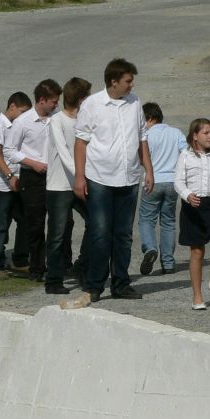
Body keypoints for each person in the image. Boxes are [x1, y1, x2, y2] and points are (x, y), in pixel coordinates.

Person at [73, 58, 153, 301]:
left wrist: (149, 170)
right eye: (128, 81)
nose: (132, 85)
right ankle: (95, 285)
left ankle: (120, 283)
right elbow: (81, 142)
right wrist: (79, 177)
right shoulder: (92, 104)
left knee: (124, 234)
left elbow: (142, 138)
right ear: (113, 81)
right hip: (100, 178)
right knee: (100, 232)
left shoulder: (135, 102)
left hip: (128, 178)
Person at [3, 79, 61, 284]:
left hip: (55, 175)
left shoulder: (57, 118)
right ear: (42, 100)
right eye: (53, 101)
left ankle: (61, 264)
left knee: (60, 222)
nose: (56, 105)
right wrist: (32, 162)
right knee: (35, 224)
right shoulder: (23, 122)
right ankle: (36, 267)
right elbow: (9, 150)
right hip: (33, 176)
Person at [46, 77, 91, 295]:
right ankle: (53, 279)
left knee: (96, 224)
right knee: (57, 233)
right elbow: (64, 153)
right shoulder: (57, 120)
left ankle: (82, 265)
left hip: (82, 182)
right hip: (59, 185)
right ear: (80, 98)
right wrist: (80, 175)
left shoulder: (85, 120)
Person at [175, 118, 210, 311]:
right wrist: (187, 195)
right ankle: (197, 296)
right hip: (193, 206)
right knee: (197, 252)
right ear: (195, 136)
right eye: (206, 133)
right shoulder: (185, 155)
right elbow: (178, 182)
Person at [138, 103, 187, 276]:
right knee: (168, 222)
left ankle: (150, 248)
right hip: (172, 183)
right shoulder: (176, 133)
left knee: (146, 219)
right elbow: (186, 152)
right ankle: (168, 263)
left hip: (153, 181)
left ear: (150, 118)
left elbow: (142, 158)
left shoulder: (147, 135)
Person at [0, 92, 31, 276]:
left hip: (17, 182)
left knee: (25, 220)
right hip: (0, 184)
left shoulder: (18, 126)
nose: (24, 115)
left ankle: (20, 259)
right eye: (22, 111)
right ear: (12, 106)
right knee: (0, 224)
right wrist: (10, 176)